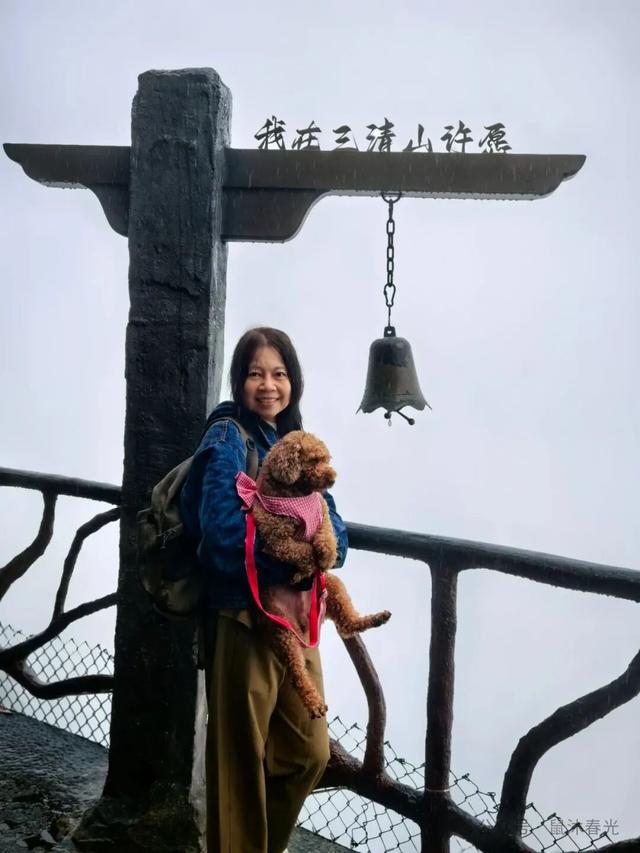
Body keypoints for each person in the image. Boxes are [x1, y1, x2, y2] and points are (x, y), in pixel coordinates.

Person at [180, 327, 348, 853]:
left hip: (297, 627)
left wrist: (321, 551)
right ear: (239, 380)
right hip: (242, 619)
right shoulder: (229, 437)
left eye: (279, 373)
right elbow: (221, 539)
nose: (268, 385)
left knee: (307, 753)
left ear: (293, 381)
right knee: (237, 771)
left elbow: (338, 531)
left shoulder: (294, 443)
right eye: (256, 373)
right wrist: (298, 565)